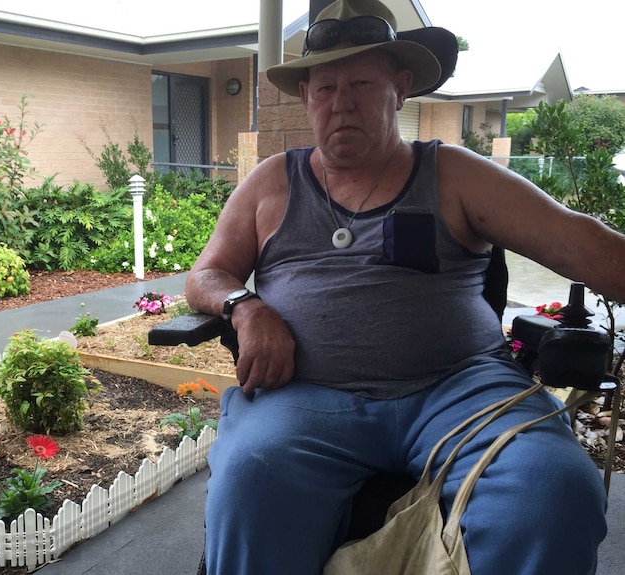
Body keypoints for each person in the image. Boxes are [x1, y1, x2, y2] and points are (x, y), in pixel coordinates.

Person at [184, 0, 625, 573]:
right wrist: (244, 307)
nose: (341, 102)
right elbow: (205, 275)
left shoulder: (456, 173)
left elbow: (577, 240)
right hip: (305, 396)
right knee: (251, 481)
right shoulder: (271, 182)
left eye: (362, 83)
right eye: (325, 88)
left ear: (400, 87)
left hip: (461, 389)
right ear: (305, 97)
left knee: (552, 488)